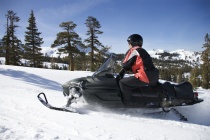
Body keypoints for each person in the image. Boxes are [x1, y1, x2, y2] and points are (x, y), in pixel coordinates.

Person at [117, 34, 159, 106]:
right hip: (153, 76)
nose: (128, 45)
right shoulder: (142, 50)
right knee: (131, 81)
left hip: (145, 76)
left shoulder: (134, 50)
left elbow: (125, 64)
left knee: (122, 83)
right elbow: (140, 64)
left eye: (129, 43)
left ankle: (127, 104)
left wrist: (124, 67)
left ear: (132, 42)